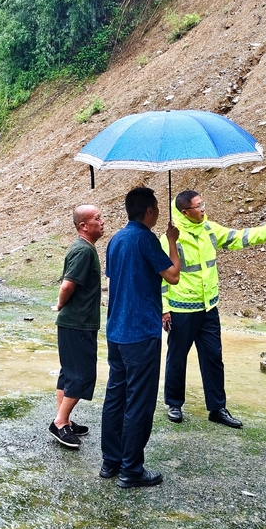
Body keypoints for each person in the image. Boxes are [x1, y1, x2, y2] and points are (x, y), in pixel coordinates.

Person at [160, 190, 266, 427]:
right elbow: (161, 278)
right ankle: (174, 404)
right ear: (185, 212)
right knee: (177, 358)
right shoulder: (170, 237)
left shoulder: (209, 229)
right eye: (199, 206)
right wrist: (165, 308)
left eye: (203, 204)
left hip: (208, 307)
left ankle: (217, 408)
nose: (203, 209)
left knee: (213, 358)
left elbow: (236, 237)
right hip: (182, 309)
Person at [101, 186, 181, 488]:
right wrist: (172, 243)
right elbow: (172, 275)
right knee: (139, 401)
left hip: (116, 330)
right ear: (149, 211)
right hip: (141, 332)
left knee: (116, 395)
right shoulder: (146, 238)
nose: (159, 211)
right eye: (157, 207)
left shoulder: (116, 239)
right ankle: (131, 469)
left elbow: (115, 280)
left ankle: (111, 461)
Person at [48, 205, 105, 449]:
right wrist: (60, 304)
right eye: (97, 218)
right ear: (83, 225)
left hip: (75, 323)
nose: (102, 221)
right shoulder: (83, 250)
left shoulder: (84, 247)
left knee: (70, 373)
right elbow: (67, 285)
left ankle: (64, 420)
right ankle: (60, 423)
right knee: (82, 375)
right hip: (77, 323)